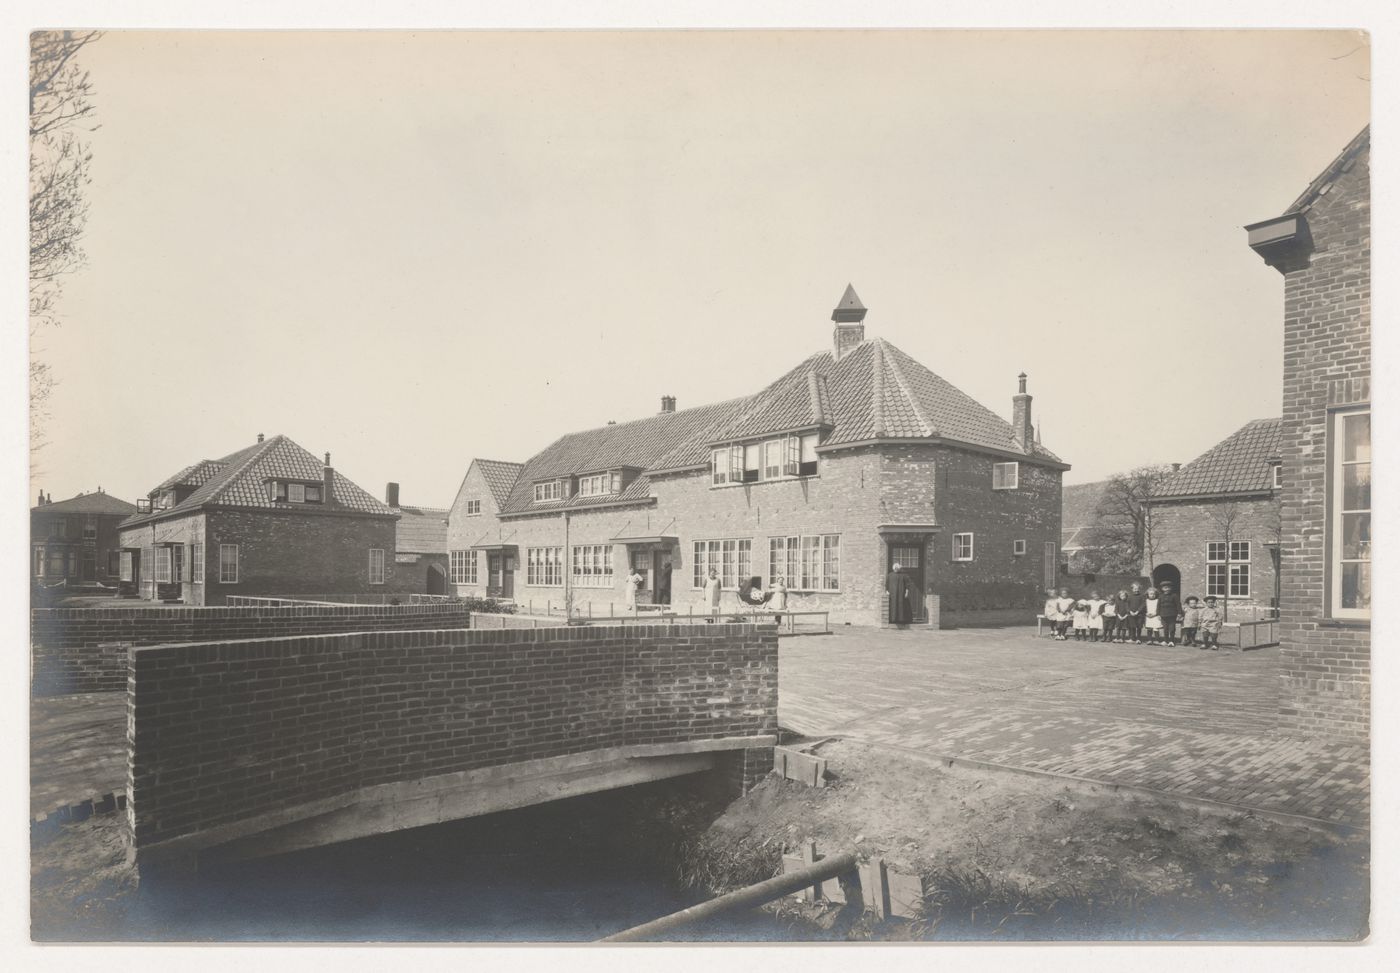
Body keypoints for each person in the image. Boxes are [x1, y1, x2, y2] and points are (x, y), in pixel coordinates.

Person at [1157, 581, 1182, 647]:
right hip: (1163, 615)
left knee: (1172, 629)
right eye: (1165, 588)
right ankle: (1165, 640)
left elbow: (1178, 605)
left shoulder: (1174, 596)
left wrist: (1179, 613)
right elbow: (1158, 606)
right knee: (1165, 629)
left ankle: (1171, 641)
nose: (1167, 589)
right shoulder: (1160, 596)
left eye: (1168, 588)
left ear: (1171, 588)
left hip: (1172, 615)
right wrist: (1158, 614)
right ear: (1162, 589)